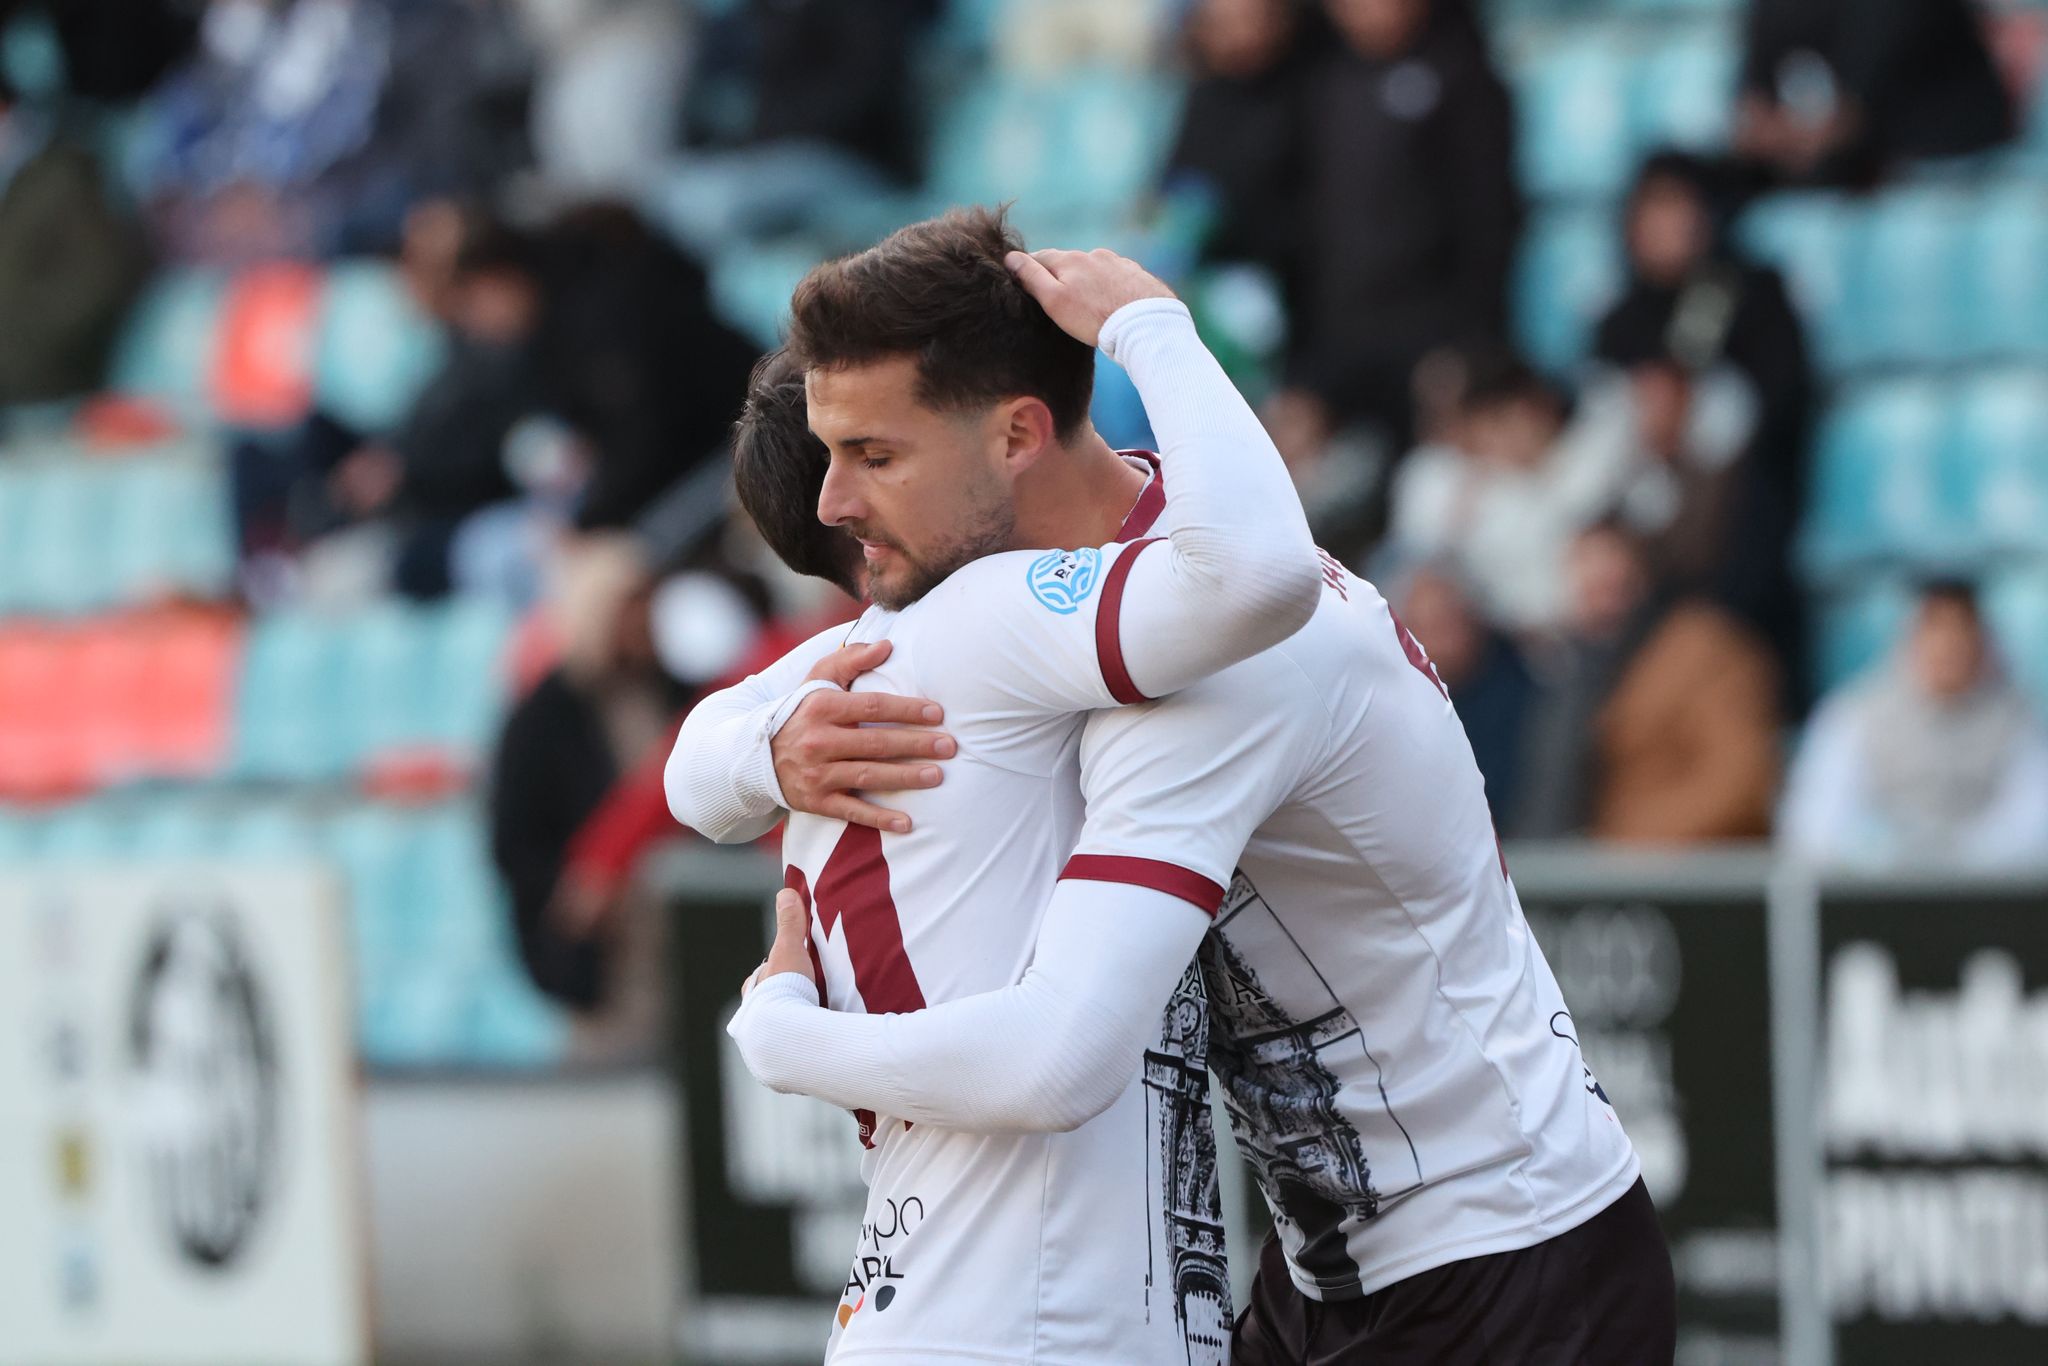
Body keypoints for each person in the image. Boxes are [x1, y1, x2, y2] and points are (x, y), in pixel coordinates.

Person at [676, 218, 1675, 1364]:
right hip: (1340, 1262)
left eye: (874, 456)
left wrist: (782, 1039)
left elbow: (1058, 1053)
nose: (832, 504)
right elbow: (699, 755)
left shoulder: (1215, 664)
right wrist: (773, 751)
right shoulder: (1099, 588)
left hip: (1501, 1263)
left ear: (1014, 436)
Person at [673, 211, 1325, 1364]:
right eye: (848, 458)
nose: (842, 493)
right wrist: (1148, 330)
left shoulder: (823, 690)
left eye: (870, 455)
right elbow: (1257, 574)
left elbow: (693, 769)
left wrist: (755, 761)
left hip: (932, 1302)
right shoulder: (980, 624)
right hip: (1028, 1331)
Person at [1274, 0, 1519, 450]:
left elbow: (1488, 224)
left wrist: (1468, 349)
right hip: (1337, 336)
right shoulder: (1319, 82)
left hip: (1432, 337)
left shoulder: (1464, 77)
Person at [1514, 523, 1780, 842]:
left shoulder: (1702, 651)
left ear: (1642, 572)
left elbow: (1740, 779)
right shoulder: (1567, 673)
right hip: (1588, 870)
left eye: (1611, 572)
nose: (1597, 586)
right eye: (1583, 573)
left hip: (1688, 874)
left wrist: (1628, 848)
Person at [1782, 581, 2048, 870]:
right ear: (1911, 638)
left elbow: (2034, 826)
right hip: (1877, 897)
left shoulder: (2018, 720)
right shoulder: (1854, 714)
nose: (1948, 647)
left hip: (1985, 898)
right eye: (1936, 631)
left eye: (1960, 633)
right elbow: (1814, 827)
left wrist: (1958, 858)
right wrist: (1885, 853)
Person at [1735, 0, 2012, 187]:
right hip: (1868, 170)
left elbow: (1848, 118)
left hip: (1959, 161)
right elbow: (1752, 122)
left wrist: (1798, 139)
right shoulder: (1778, 9)